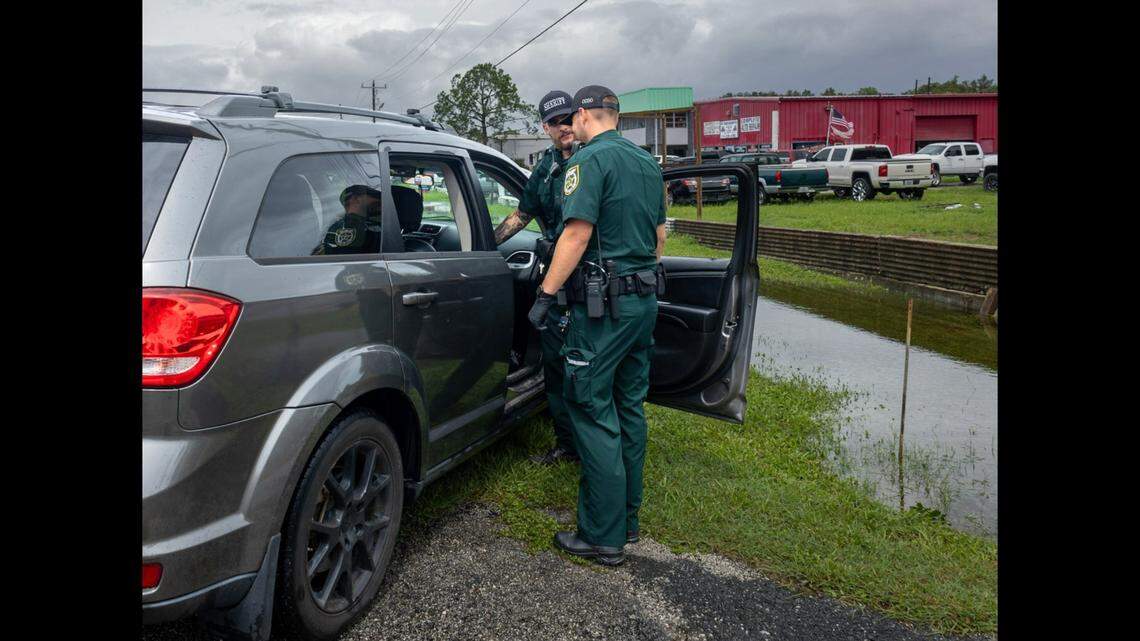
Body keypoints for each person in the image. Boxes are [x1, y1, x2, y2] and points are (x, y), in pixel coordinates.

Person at [527, 85, 667, 566]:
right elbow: (659, 235)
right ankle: (627, 519)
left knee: (589, 405)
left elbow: (577, 232)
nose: (571, 124)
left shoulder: (587, 162)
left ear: (585, 114)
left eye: (574, 116)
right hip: (643, 302)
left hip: (602, 309)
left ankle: (601, 535)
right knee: (629, 406)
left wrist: (546, 295)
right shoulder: (648, 163)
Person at [495, 89, 581, 466]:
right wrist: (482, 244)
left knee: (587, 369)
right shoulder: (544, 168)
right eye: (556, 122)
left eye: (568, 119)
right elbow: (521, 215)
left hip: (589, 277)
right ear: (544, 127)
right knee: (556, 367)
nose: (564, 127)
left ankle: (594, 446)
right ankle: (566, 444)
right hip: (554, 281)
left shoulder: (593, 160)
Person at [314, 184, 384, 255]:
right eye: (375, 195)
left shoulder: (334, 227)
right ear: (357, 199)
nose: (380, 200)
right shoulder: (368, 228)